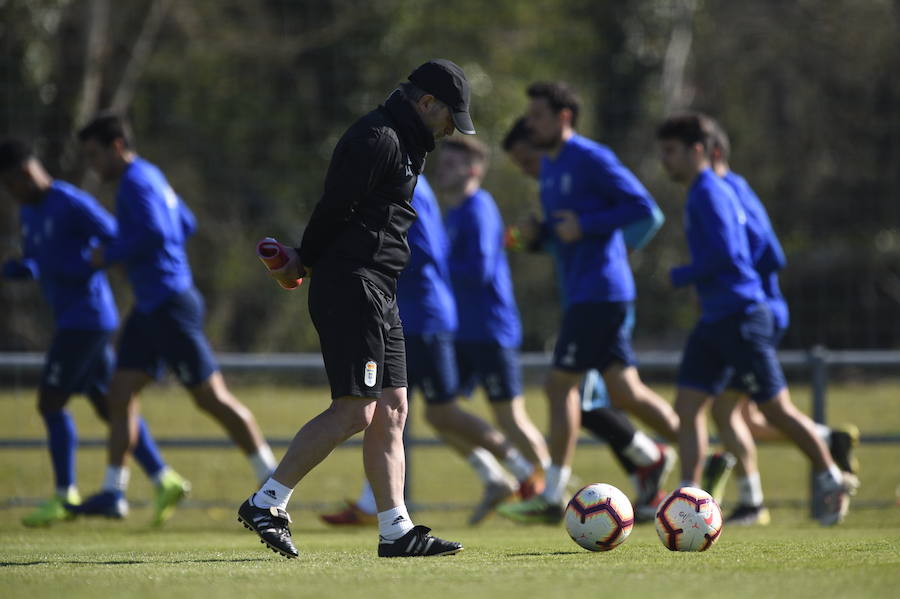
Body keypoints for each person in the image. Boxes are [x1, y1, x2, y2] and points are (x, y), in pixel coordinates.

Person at [239, 59, 474, 558]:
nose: (452, 129)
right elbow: (334, 209)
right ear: (426, 103)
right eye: (450, 116)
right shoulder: (378, 137)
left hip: (382, 287)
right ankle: (267, 501)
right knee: (355, 411)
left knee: (393, 410)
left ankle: (396, 530)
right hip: (354, 285)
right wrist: (302, 259)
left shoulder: (409, 142)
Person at [70, 114, 276, 522]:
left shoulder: (134, 181)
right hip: (152, 306)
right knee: (120, 391)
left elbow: (159, 234)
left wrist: (107, 254)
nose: (92, 166)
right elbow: (186, 222)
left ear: (116, 147)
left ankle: (271, 483)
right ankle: (114, 492)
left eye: (94, 155)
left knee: (211, 398)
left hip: (169, 304)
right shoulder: (151, 174)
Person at [656, 111, 858, 526]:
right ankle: (688, 500)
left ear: (698, 150)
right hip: (714, 319)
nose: (665, 161)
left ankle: (830, 474)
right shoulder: (703, 190)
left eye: (671, 151)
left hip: (741, 316)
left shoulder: (711, 191)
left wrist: (682, 274)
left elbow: (731, 254)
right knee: (690, 406)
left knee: (776, 409)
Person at [498, 83, 678, 524]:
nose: (531, 123)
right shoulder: (553, 171)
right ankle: (670, 454)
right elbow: (566, 236)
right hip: (587, 292)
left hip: (600, 292)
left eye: (537, 116)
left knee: (560, 388)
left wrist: (591, 225)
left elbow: (643, 208)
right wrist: (535, 237)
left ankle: (554, 493)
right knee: (623, 392)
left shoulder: (591, 158)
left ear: (562, 117)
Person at [319, 175, 539, 528]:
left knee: (436, 412)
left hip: (424, 319)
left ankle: (525, 474)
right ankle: (502, 478)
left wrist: (368, 253)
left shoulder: (410, 189)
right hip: (409, 316)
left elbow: (429, 250)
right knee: (397, 410)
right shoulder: (399, 187)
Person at [0, 139, 188, 527]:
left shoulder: (68, 201)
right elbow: (45, 257)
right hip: (73, 318)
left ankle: (64, 494)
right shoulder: (29, 212)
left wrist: (75, 264)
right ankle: (163, 478)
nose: (9, 193)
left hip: (86, 320)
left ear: (25, 172)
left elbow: (114, 239)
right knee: (109, 406)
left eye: (9, 183)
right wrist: (29, 269)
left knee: (50, 403)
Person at [435, 137, 551, 519]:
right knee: (438, 414)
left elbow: (481, 271)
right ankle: (495, 478)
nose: (442, 169)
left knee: (511, 418)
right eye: (442, 162)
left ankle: (551, 493)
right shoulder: (453, 213)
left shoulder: (479, 207)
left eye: (452, 164)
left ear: (473, 170)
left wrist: (429, 270)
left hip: (490, 330)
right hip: (460, 332)